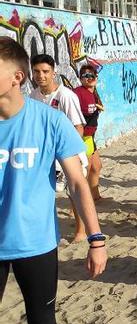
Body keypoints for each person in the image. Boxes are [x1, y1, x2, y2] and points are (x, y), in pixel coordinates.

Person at [0, 36, 108, 324]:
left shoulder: (49, 121)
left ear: (16, 76)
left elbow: (78, 183)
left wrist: (96, 238)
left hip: (35, 241)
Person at [30, 54, 88, 241]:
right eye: (37, 71)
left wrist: (67, 152)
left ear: (53, 72)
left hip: (66, 153)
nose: (41, 76)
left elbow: (78, 127)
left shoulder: (66, 96)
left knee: (74, 193)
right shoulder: (33, 96)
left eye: (45, 71)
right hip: (44, 154)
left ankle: (81, 230)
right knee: (44, 192)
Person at [73, 64, 104, 202]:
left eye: (92, 75)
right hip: (83, 137)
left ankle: (95, 197)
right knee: (85, 170)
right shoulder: (78, 93)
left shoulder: (93, 92)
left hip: (91, 136)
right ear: (80, 78)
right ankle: (80, 202)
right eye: (85, 75)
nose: (89, 78)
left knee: (97, 167)